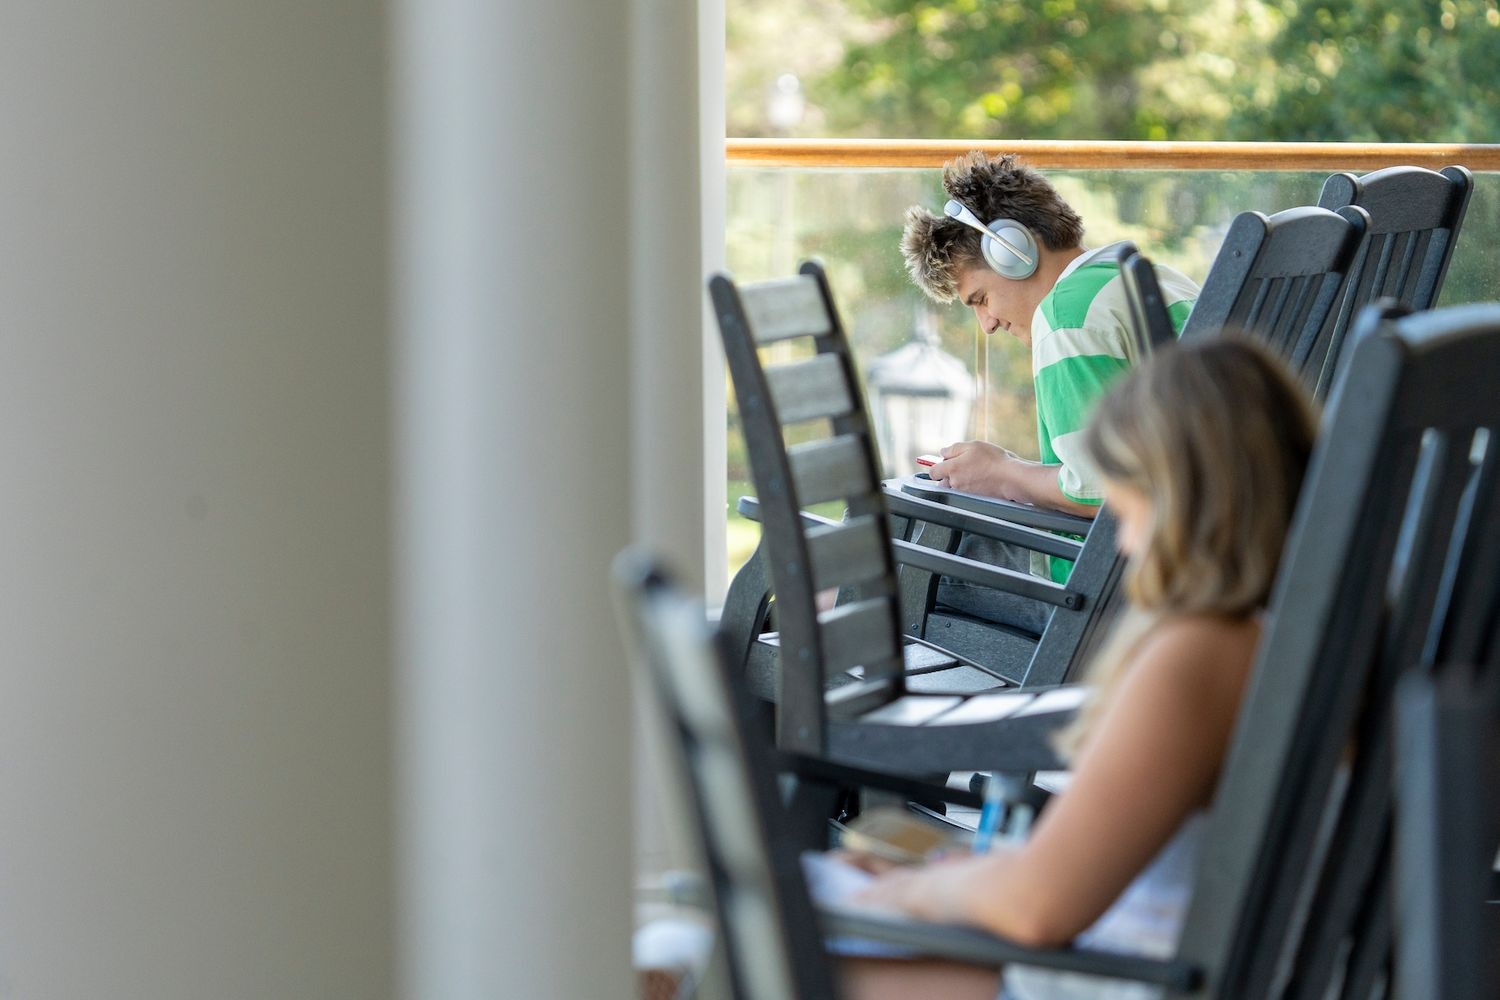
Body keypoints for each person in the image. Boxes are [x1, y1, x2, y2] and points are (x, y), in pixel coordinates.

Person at [830, 338, 1319, 1000]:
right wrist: (953, 874)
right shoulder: (1306, 635)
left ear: (1180, 500)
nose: (1126, 543)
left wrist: (907, 893)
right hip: (1140, 957)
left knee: (737, 950)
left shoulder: (1204, 652)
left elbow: (1036, 909)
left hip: (1117, 978)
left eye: (1129, 509)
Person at [900, 152, 1200, 629]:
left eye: (980, 298)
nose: (987, 324)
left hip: (1110, 602)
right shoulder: (1150, 278)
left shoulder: (1064, 318)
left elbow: (1105, 492)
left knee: (907, 543)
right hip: (1200, 560)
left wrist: (1004, 473)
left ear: (1013, 251)